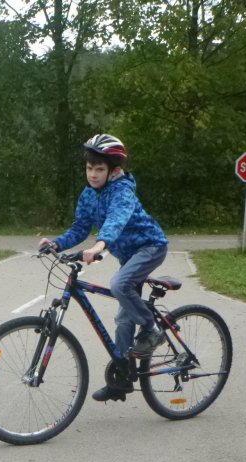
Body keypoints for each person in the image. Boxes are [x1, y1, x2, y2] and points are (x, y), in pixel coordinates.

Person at [39, 134, 169, 402]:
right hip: (128, 256)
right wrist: (56, 244)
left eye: (99, 169)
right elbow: (80, 228)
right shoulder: (89, 194)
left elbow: (115, 221)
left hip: (150, 247)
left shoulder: (123, 191)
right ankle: (122, 378)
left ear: (114, 170)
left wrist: (99, 246)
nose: (93, 174)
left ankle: (151, 329)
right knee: (123, 319)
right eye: (89, 168)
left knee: (119, 284)